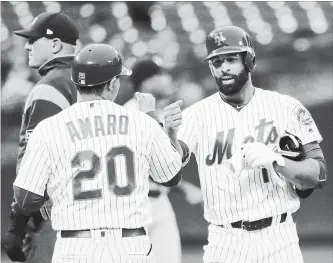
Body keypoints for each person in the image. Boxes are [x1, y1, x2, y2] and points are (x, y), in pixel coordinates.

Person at [163, 26, 327, 263]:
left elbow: (318, 175)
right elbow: (172, 166)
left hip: (279, 238)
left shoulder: (286, 107)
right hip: (224, 241)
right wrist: (171, 135)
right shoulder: (196, 115)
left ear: (249, 60)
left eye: (231, 59)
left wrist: (279, 162)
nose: (224, 68)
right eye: (216, 62)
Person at [11, 43, 183, 263]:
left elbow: (25, 199)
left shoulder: (48, 128)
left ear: (76, 82)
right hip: (129, 246)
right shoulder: (142, 121)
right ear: (112, 83)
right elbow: (171, 176)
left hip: (74, 247)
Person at [4, 11, 79, 263]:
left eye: (33, 40)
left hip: (51, 216)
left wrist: (19, 221)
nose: (27, 46)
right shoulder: (87, 83)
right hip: (90, 210)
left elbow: (38, 160)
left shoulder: (51, 86)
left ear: (55, 44)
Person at [124, 58, 203, 263]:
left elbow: (164, 164)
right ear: (146, 82)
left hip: (161, 201)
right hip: (134, 203)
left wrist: (183, 187)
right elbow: (148, 164)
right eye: (160, 74)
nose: (167, 79)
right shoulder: (130, 113)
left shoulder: (160, 112)